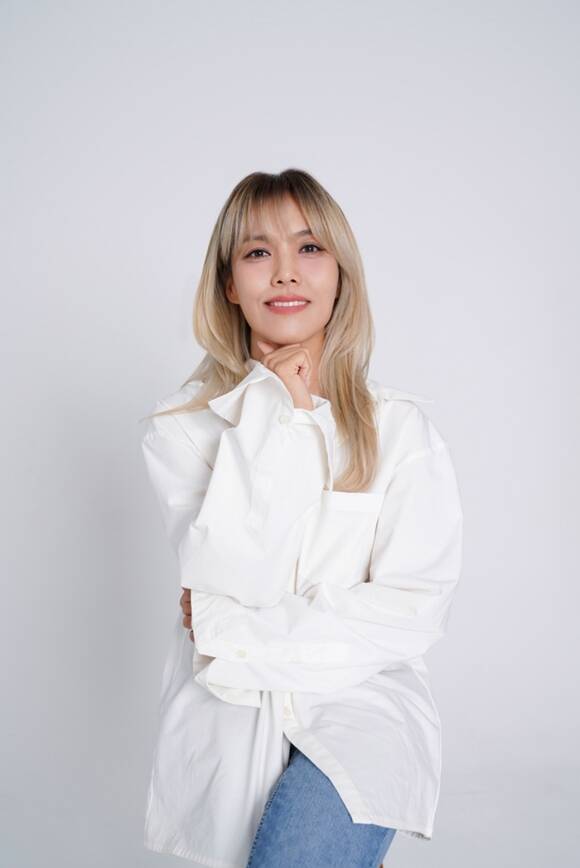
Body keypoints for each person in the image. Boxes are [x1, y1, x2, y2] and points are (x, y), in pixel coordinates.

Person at [140, 168, 464, 867]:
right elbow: (235, 576)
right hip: (232, 723)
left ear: (341, 273)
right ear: (229, 283)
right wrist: (270, 413)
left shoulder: (400, 431)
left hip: (361, 715)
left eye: (310, 247)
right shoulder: (180, 431)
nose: (285, 271)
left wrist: (232, 630)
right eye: (258, 251)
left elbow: (410, 612)